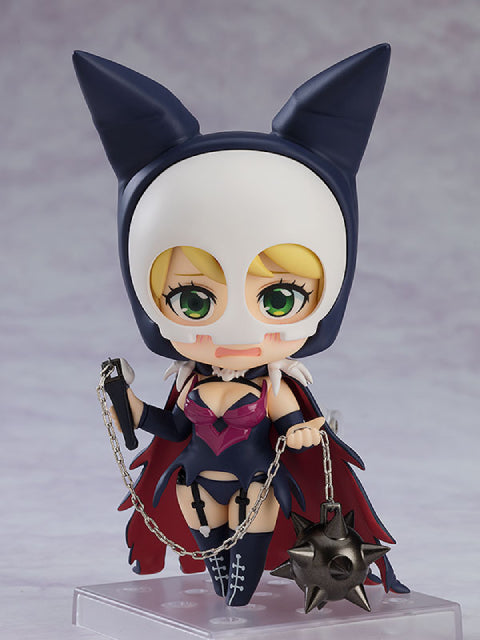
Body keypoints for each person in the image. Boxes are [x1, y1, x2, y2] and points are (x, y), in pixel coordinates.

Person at [74, 43, 408, 606]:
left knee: (241, 572)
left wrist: (302, 431)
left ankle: (239, 598)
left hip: (257, 487)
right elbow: (170, 427)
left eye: (278, 299)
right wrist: (126, 405)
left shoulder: (273, 387)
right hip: (194, 484)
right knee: (213, 552)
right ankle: (228, 597)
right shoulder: (191, 383)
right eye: (193, 301)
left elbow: (295, 425)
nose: (235, 328)